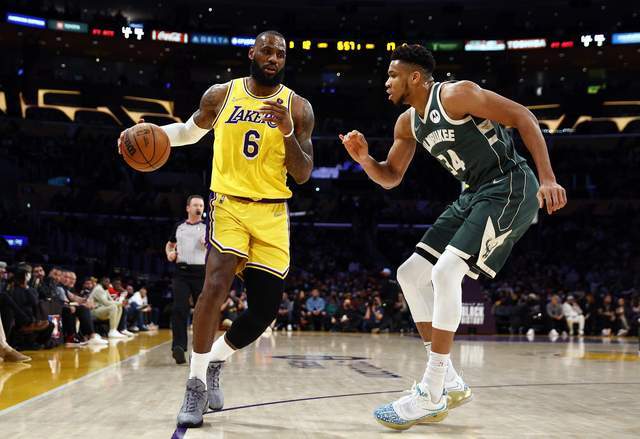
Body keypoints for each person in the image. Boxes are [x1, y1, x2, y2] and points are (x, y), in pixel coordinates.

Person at [339, 44, 566, 430]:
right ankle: (451, 381)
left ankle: (431, 391)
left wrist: (547, 178)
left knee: (446, 272)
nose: (386, 82)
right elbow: (391, 177)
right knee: (410, 274)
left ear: (415, 77)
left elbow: (523, 116)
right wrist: (364, 160)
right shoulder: (407, 123)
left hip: (509, 185)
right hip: (473, 194)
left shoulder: (457, 94)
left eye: (393, 75)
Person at [119, 30, 314, 428]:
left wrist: (287, 132)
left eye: (280, 53)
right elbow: (189, 133)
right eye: (267, 51)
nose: (273, 58)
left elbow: (304, 172)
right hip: (228, 205)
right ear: (252, 53)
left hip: (272, 214)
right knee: (215, 286)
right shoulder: (222, 95)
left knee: (263, 311)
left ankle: (215, 361)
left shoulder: (298, 107)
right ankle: (194, 384)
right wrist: (146, 135)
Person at [165, 195, 207, 364]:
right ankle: (178, 347)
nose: (199, 208)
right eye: (195, 205)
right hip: (181, 272)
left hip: (201, 272)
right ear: (188, 208)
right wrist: (170, 253)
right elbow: (170, 244)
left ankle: (201, 351)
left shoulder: (208, 227)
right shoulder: (179, 227)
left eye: (201, 206)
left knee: (202, 313)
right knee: (179, 309)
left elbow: (217, 250)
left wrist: (209, 244)